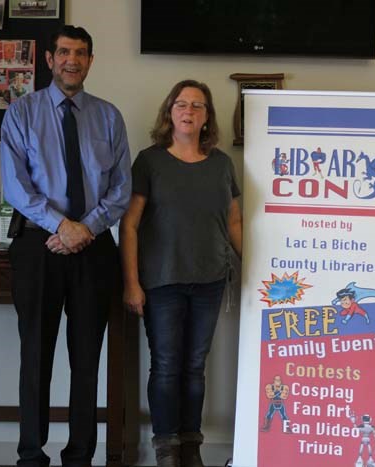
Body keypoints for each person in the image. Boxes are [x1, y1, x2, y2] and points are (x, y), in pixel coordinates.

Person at [0, 25, 131, 467]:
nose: (72, 60)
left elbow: (120, 189)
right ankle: (31, 454)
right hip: (39, 246)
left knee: (86, 358)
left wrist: (84, 228)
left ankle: (80, 455)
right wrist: (62, 225)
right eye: (64, 52)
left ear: (90, 61)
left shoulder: (109, 117)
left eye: (81, 53)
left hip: (93, 249)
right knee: (35, 353)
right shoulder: (20, 112)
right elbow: (17, 188)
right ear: (50, 60)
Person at [120, 79, 242, 467]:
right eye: (181, 104)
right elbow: (130, 225)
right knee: (168, 366)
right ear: (169, 111)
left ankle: (191, 445)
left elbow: (235, 222)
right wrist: (132, 283)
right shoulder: (150, 161)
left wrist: (259, 268)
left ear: (207, 116)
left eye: (198, 105)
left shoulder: (222, 164)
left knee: (194, 367)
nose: (189, 111)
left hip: (210, 279)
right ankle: (165, 447)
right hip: (162, 282)